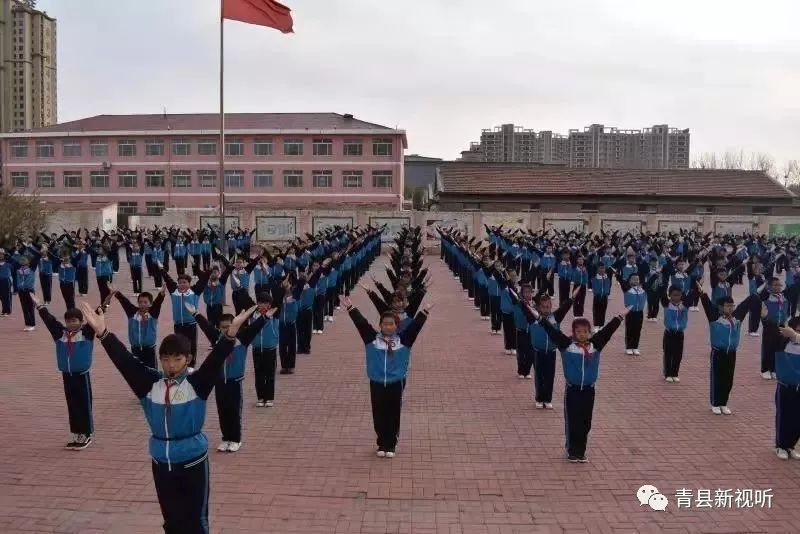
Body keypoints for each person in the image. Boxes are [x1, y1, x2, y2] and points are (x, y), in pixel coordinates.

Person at [83, 301, 256, 533]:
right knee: (171, 521)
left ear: (188, 358)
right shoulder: (149, 384)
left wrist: (230, 334)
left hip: (192, 460)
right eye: (165, 359)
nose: (170, 365)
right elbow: (125, 362)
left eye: (177, 359)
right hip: (161, 462)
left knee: (196, 521)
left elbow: (215, 360)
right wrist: (103, 333)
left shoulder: (197, 383)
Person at [342, 294, 432, 458]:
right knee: (378, 413)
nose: (388, 327)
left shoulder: (403, 340)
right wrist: (350, 308)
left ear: (397, 326)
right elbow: (361, 324)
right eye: (385, 324)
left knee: (393, 412)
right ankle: (381, 443)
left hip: (395, 382)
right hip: (376, 381)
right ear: (380, 325)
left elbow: (414, 328)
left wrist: (424, 312)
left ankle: (391, 444)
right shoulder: (372, 339)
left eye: (391, 324)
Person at [537, 307, 628, 462]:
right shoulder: (567, 345)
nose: (582, 334)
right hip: (573, 391)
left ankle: (581, 451)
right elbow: (553, 332)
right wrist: (541, 320)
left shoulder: (595, 345)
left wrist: (618, 318)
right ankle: (572, 450)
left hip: (588, 391)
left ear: (590, 333)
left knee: (586, 422)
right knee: (573, 420)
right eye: (578, 331)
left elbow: (607, 332)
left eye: (585, 331)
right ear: (573, 332)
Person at [190, 304, 272, 452]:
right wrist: (196, 314)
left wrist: (264, 317)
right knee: (222, 411)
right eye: (223, 327)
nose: (226, 329)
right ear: (219, 328)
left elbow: (254, 328)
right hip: (219, 381)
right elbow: (206, 327)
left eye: (229, 326)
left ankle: (235, 439)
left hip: (235, 382)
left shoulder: (243, 339)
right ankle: (225, 438)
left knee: (234, 411)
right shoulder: (217, 339)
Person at [34, 294, 97, 449]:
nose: (71, 324)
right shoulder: (60, 335)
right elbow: (50, 321)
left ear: (81, 322)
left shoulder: (86, 334)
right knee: (72, 404)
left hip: (81, 376)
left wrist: (106, 300)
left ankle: (86, 434)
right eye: (68, 321)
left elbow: (97, 317)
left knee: (83, 404)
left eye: (74, 321)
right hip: (67, 375)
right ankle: (76, 433)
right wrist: (40, 306)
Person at [698, 281, 759, 415]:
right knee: (717, 377)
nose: (730, 308)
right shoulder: (714, 318)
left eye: (732, 306)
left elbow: (745, 305)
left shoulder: (736, 319)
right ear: (720, 307)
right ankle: (715, 403)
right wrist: (702, 293)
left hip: (731, 353)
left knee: (728, 378)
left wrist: (757, 294)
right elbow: (707, 304)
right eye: (727, 306)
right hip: (718, 352)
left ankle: (724, 403)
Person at [522, 288, 578, 409]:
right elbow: (523, 306)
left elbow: (564, 308)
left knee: (549, 376)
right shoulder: (533, 318)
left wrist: (572, 298)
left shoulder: (555, 317)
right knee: (539, 375)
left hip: (551, 352)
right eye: (543, 307)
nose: (546, 309)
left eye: (548, 307)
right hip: (538, 352)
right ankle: (539, 398)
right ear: (538, 307)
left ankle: (547, 399)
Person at [107, 284, 166, 369]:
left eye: (145, 302)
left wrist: (161, 295)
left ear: (150, 304)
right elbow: (125, 302)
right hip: (135, 349)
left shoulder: (153, 313)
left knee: (153, 373)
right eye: (140, 302)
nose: (142, 304)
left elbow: (158, 303)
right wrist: (117, 293)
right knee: (137, 372)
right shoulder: (132, 313)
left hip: (149, 350)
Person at [160, 266, 210, 366]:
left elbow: (203, 280)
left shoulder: (194, 291)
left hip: (191, 325)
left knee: (191, 347)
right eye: (180, 282)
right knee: (179, 346)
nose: (182, 284)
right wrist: (162, 269)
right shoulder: (174, 292)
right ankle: (181, 365)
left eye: (184, 282)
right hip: (178, 325)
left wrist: (209, 271)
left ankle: (191, 366)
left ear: (189, 283)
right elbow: (168, 279)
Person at [769, 317, 800, 460]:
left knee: (797, 419)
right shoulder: (782, 344)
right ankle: (780, 446)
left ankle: (790, 445)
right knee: (784, 416)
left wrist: (795, 336)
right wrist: (764, 317)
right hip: (786, 386)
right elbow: (771, 328)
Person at [249, 292, 280, 407]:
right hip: (257, 348)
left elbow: (276, 330)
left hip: (270, 349)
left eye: (266, 303)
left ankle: (269, 398)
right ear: (257, 303)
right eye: (261, 302)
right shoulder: (253, 316)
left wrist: (275, 339)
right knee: (259, 374)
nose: (263, 305)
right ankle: (261, 397)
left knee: (270, 374)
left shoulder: (273, 316)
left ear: (270, 305)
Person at [661, 286, 690, 383]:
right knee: (668, 354)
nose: (676, 297)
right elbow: (662, 293)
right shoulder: (667, 304)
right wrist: (662, 281)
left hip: (680, 334)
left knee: (678, 354)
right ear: (669, 295)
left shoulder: (684, 306)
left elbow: (691, 296)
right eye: (674, 295)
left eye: (679, 295)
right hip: (669, 333)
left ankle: (675, 373)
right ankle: (668, 373)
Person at [622, 273, 646, 356]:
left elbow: (649, 282)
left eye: (637, 279)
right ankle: (628, 347)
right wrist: (618, 274)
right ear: (629, 280)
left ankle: (635, 347)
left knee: (637, 330)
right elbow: (621, 280)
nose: (636, 280)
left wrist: (655, 274)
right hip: (630, 312)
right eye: (633, 279)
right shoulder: (627, 289)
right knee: (629, 329)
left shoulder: (642, 289)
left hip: (639, 313)